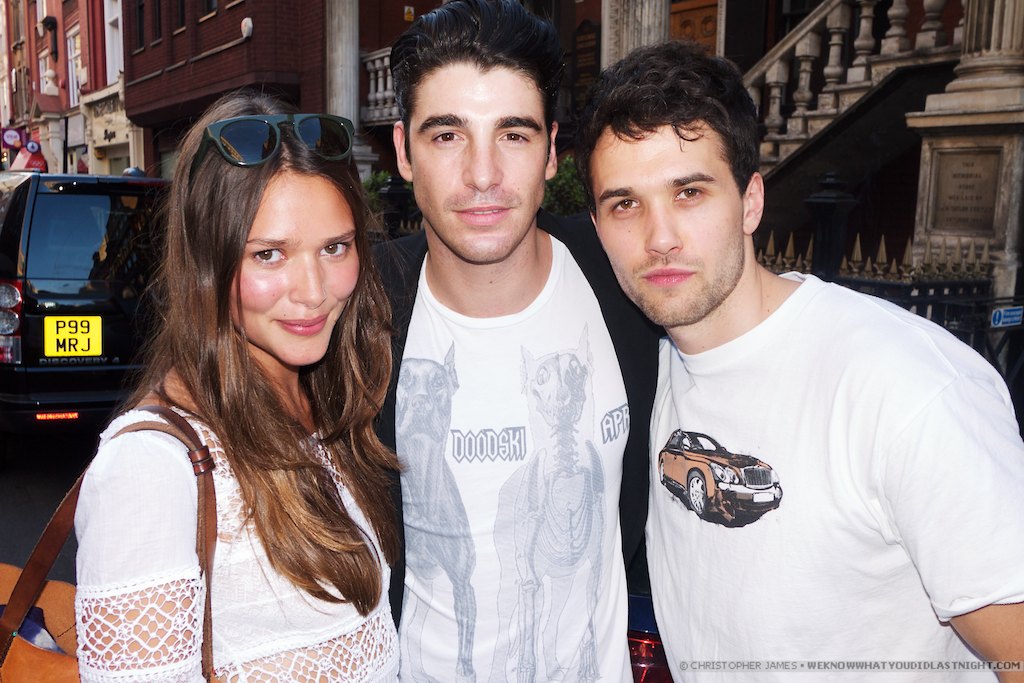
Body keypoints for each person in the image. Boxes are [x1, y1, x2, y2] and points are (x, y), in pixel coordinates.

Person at [575, 40, 1024, 680]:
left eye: (689, 192)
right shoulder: (652, 365)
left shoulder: (904, 387)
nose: (660, 238)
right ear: (598, 228)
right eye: (625, 204)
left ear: (751, 202)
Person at [374, 0, 661, 680]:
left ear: (553, 151)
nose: (483, 175)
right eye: (448, 135)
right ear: (404, 151)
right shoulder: (361, 307)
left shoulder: (622, 272)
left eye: (513, 134)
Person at [74, 91, 400, 681]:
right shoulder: (150, 471)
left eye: (335, 247)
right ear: (206, 265)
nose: (313, 291)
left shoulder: (327, 407)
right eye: (269, 254)